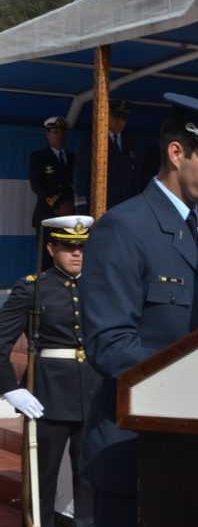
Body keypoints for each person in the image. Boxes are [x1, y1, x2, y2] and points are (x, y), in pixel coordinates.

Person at [80, 93, 198, 526]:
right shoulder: (124, 227)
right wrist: (194, 378)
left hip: (196, 447)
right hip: (135, 445)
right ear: (177, 153)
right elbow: (109, 343)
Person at [0, 215, 100, 527]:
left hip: (93, 393)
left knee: (91, 477)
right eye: (69, 247)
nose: (76, 254)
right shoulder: (33, 289)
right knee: (42, 477)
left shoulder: (101, 288)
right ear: (52, 248)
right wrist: (11, 388)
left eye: (82, 247)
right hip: (49, 396)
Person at [75, 100, 138, 214]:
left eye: (123, 118)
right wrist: (81, 205)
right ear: (107, 116)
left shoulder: (130, 141)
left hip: (125, 207)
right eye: (116, 117)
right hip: (99, 206)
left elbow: (134, 177)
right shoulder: (93, 138)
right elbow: (82, 171)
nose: (119, 122)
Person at [30, 117, 76, 233]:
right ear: (48, 134)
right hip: (48, 213)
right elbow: (37, 185)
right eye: (55, 132)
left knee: (68, 249)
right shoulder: (39, 157)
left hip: (70, 213)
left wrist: (70, 205)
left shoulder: (73, 158)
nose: (59, 135)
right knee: (46, 250)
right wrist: (59, 204)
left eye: (62, 132)